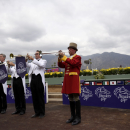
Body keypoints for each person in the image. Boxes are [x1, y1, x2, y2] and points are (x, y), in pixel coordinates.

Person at [58, 42, 82, 125]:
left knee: (76, 97)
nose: (68, 50)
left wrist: (64, 57)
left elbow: (73, 63)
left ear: (74, 50)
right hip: (68, 80)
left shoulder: (78, 57)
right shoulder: (67, 58)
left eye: (70, 49)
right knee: (70, 98)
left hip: (74, 80)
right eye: (68, 49)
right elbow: (61, 65)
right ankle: (73, 116)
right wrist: (60, 58)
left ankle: (78, 117)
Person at [26, 50, 47, 118]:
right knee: (34, 97)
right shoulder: (32, 62)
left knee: (40, 97)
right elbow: (27, 65)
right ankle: (36, 112)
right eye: (35, 54)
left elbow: (41, 65)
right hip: (33, 79)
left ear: (40, 55)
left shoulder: (43, 61)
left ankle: (42, 112)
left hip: (39, 80)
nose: (35, 55)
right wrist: (26, 59)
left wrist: (32, 59)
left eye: (37, 54)